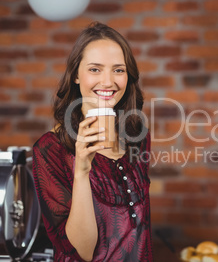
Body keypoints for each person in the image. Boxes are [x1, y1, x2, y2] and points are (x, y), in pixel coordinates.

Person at [32, 22, 152, 261]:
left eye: (118, 70)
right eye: (95, 69)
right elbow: (82, 252)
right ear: (76, 74)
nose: (108, 82)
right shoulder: (50, 150)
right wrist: (82, 171)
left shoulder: (137, 136)